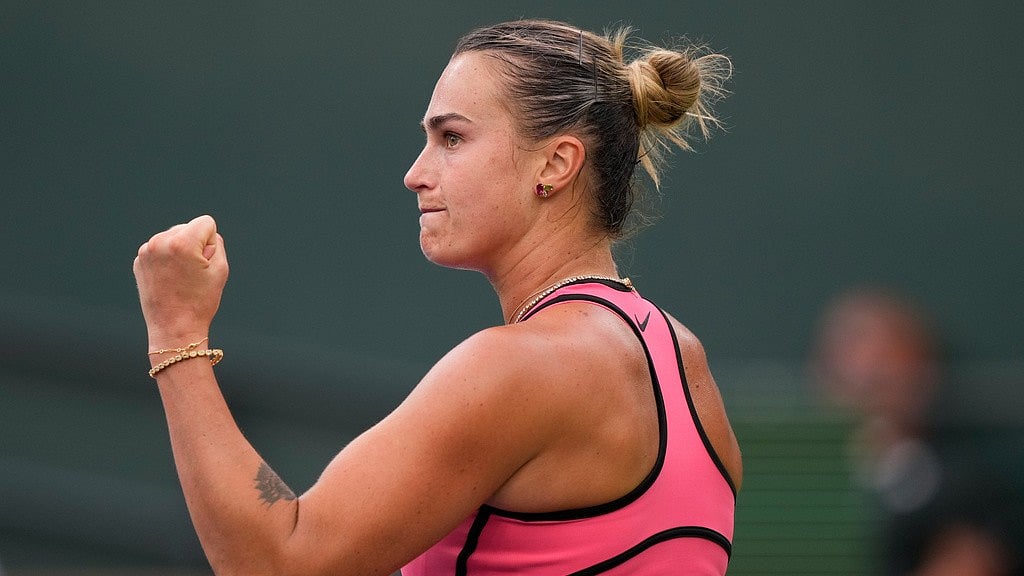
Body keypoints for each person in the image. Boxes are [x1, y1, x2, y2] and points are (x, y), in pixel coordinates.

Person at [133, 19, 741, 575]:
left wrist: (177, 331)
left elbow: (278, 562)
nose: (416, 173)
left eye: (451, 138)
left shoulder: (522, 367)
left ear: (556, 163)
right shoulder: (686, 366)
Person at [809, 287, 1023, 576]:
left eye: (884, 370)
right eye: (847, 363)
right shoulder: (793, 480)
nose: (865, 379)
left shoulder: (964, 489)